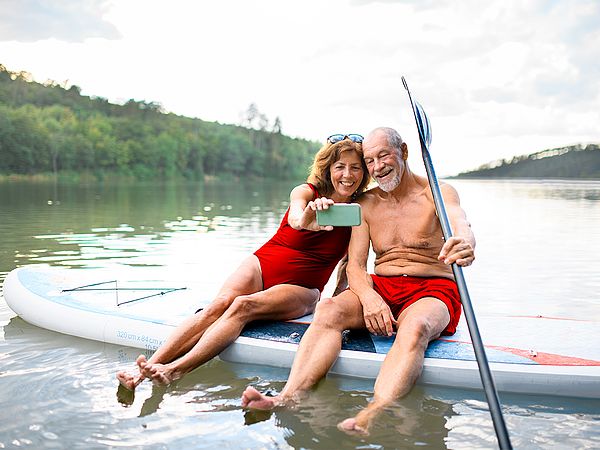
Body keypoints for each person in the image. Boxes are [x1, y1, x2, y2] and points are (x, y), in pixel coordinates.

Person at [241, 127, 476, 436]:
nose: (377, 167)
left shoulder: (438, 193)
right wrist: (369, 297)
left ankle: (374, 411)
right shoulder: (365, 204)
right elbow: (355, 266)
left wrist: (465, 243)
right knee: (328, 310)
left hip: (433, 288)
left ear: (404, 152)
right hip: (383, 285)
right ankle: (288, 397)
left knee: (415, 327)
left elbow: (460, 223)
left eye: (384, 156)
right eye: (370, 160)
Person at [116, 134, 369, 390]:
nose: (347, 174)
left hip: (302, 286)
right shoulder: (307, 192)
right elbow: (295, 218)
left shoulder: (361, 212)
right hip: (264, 262)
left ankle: (174, 371)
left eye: (355, 167)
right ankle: (144, 370)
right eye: (340, 166)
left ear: (364, 172)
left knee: (242, 305)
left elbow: (350, 265)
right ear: (328, 168)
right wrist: (307, 220)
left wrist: (337, 306)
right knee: (218, 305)